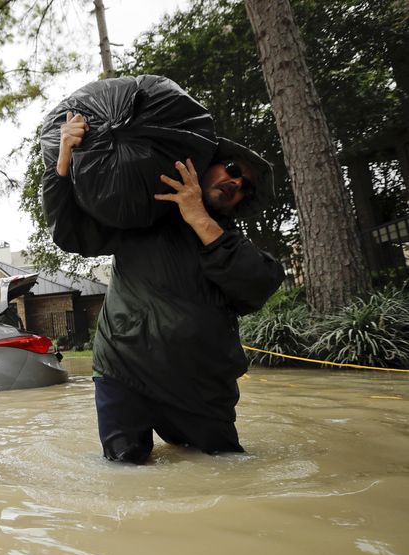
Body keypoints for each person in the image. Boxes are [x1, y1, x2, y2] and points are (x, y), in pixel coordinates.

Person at [43, 112, 285, 464]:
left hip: (202, 387)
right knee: (126, 470)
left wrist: (198, 216)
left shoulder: (232, 243)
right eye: (232, 169)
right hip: (123, 369)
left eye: (245, 186)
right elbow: (70, 232)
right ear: (204, 166)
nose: (237, 183)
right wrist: (63, 161)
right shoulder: (140, 215)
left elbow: (257, 285)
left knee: (226, 466)